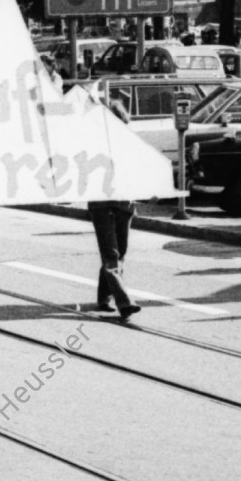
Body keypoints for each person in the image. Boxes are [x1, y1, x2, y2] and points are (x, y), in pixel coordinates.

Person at [89, 93, 142, 321]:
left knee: (120, 253)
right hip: (102, 205)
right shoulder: (94, 145)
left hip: (124, 205)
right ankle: (125, 302)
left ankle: (103, 298)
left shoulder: (129, 145)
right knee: (111, 255)